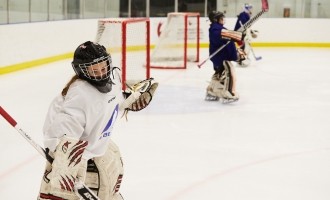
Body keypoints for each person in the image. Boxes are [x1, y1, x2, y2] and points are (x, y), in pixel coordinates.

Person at [38, 41, 158, 200]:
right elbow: (61, 136)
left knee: (111, 186)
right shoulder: (79, 95)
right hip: (75, 159)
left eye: (104, 67)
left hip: (100, 148)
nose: (101, 73)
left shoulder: (113, 77)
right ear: (81, 71)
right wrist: (66, 165)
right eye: (94, 70)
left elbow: (107, 103)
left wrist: (126, 101)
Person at [206, 11, 247, 103]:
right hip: (221, 57)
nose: (223, 20)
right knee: (230, 73)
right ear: (215, 20)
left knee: (219, 74)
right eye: (221, 18)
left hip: (220, 57)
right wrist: (238, 35)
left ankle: (212, 91)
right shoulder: (215, 29)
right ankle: (229, 93)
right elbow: (223, 34)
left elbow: (227, 38)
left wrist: (237, 52)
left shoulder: (218, 28)